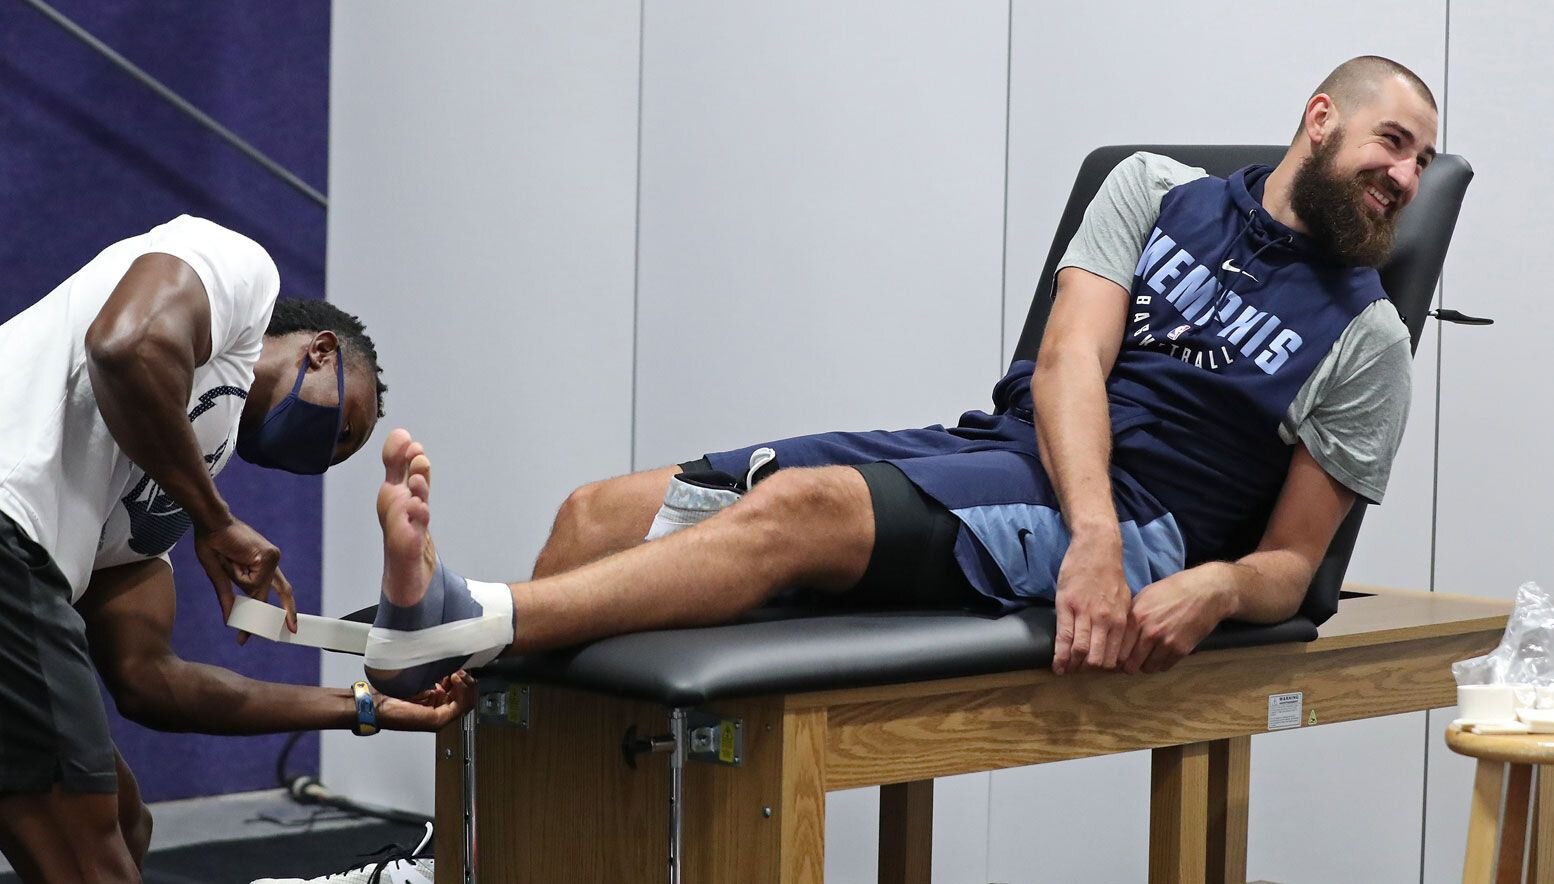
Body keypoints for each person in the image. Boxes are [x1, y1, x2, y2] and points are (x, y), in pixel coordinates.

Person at [358, 56, 1438, 702]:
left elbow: (1295, 564)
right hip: (1020, 459)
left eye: (1420, 166)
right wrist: (1088, 528)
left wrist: (1210, 582)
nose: (1403, 176)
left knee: (798, 512)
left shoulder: (1368, 340)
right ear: (1319, 117)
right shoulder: (1154, 191)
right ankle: (476, 733)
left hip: (1151, 523)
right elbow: (1068, 358)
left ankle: (459, 623)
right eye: (1391, 142)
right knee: (595, 513)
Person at [0, 215, 458, 882]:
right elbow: (126, 345)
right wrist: (214, 519)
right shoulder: (240, 272)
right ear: (322, 350)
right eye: (343, 427)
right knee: (88, 854)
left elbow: (151, 681)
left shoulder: (161, 487)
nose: (325, 454)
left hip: (24, 561)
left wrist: (367, 708)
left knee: (125, 825)